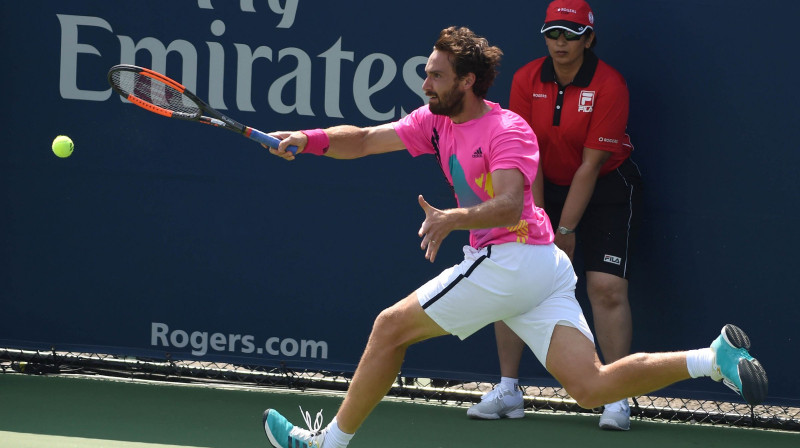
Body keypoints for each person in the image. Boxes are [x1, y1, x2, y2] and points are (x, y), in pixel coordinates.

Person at [259, 26, 767, 448]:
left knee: (389, 328)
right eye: (426, 73)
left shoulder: (509, 129)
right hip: (537, 270)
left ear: (468, 80)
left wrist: (451, 218)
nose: (426, 84)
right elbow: (369, 139)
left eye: (436, 75)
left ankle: (328, 444)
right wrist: (308, 140)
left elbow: (507, 204)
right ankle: (710, 358)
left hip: (513, 257)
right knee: (591, 386)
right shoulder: (434, 123)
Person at [466, 0, 642, 430]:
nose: (560, 43)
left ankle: (616, 397)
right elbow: (529, 156)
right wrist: (540, 220)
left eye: (571, 34)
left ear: (589, 39)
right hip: (537, 185)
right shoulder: (527, 78)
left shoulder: (610, 84)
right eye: (553, 33)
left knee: (605, 288)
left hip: (603, 188)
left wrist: (564, 230)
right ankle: (508, 389)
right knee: (511, 273)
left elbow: (590, 164)